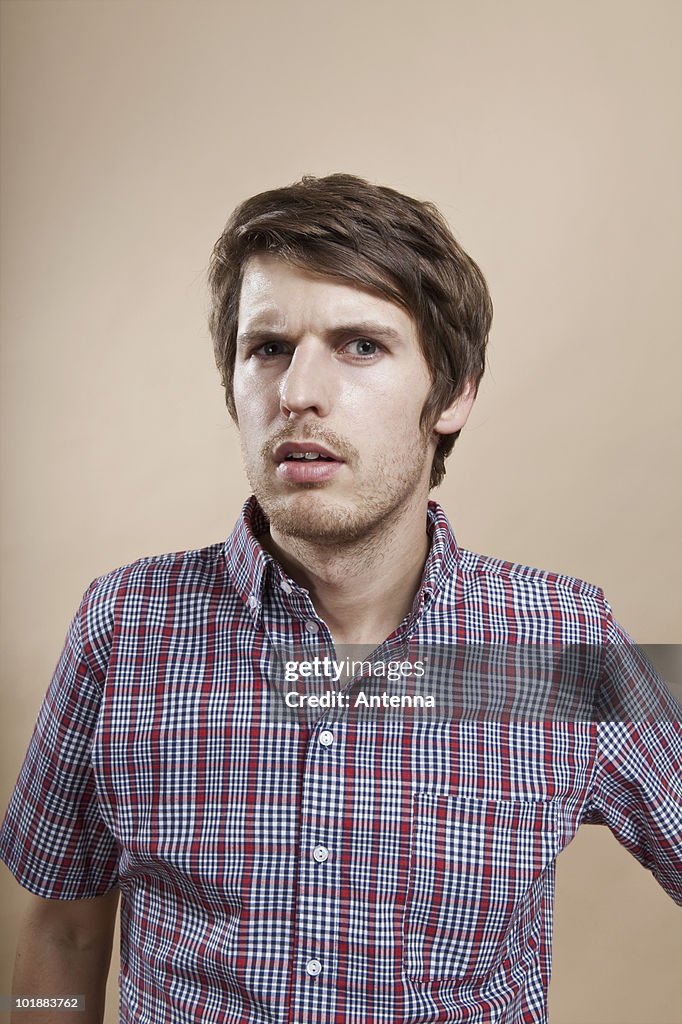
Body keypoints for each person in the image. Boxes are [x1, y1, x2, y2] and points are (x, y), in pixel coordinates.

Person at [1, 173, 680, 1024]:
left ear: (454, 393)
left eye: (361, 345)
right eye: (268, 348)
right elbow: (62, 930)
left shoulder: (566, 640)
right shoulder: (122, 623)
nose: (297, 393)